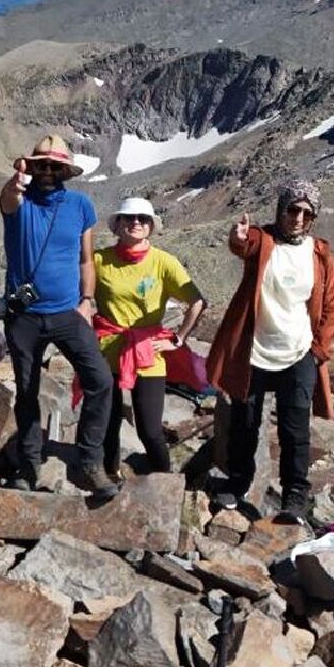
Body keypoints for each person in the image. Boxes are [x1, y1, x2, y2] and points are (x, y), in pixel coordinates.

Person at [207, 179, 334, 523]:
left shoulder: (319, 254)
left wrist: (319, 349)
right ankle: (238, 482)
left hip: (298, 352)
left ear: (313, 218)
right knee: (245, 421)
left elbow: (330, 304)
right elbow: (243, 245)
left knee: (295, 429)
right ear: (281, 210)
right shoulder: (262, 240)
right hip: (255, 350)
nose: (297, 218)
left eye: (305, 213)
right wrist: (236, 239)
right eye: (292, 209)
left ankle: (295, 495)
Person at [0, 134, 117, 499]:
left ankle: (91, 460)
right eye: (41, 165)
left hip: (68, 312)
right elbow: (7, 198)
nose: (47, 172)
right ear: (31, 167)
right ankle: (29, 463)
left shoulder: (81, 205)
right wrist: (16, 178)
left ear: (65, 171)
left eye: (54, 166)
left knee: (100, 380)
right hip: (25, 315)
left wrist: (87, 300)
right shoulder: (19, 201)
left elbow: (85, 258)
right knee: (28, 390)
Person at [93, 197, 206, 477]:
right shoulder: (99, 260)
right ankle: (109, 476)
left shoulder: (163, 262)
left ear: (151, 226)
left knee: (150, 428)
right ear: (117, 225)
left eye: (143, 219)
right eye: (129, 218)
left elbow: (197, 301)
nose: (136, 223)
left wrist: (177, 339)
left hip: (148, 351)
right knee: (108, 421)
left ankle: (163, 480)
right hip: (109, 348)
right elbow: (77, 295)